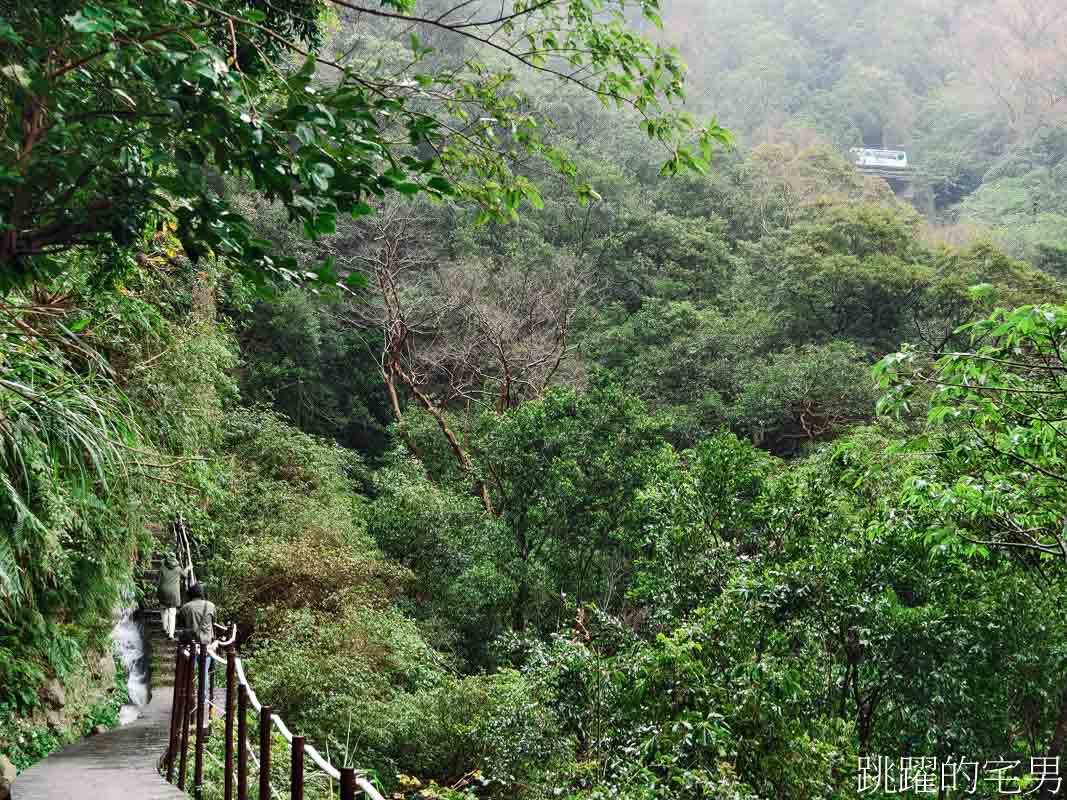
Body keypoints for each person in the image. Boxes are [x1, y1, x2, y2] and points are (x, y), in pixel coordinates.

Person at [177, 583, 218, 728]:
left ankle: (190, 702)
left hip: (191, 646)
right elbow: (214, 622)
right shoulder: (211, 606)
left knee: (190, 674)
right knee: (204, 674)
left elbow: (180, 625)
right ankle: (203, 702)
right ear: (202, 593)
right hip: (206, 647)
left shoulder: (185, 608)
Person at [157, 553, 191, 639]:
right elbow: (184, 575)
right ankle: (171, 634)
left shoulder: (162, 567)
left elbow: (158, 579)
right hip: (173, 593)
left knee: (163, 609)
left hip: (163, 591)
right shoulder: (178, 568)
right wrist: (188, 568)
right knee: (172, 613)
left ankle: (165, 628)